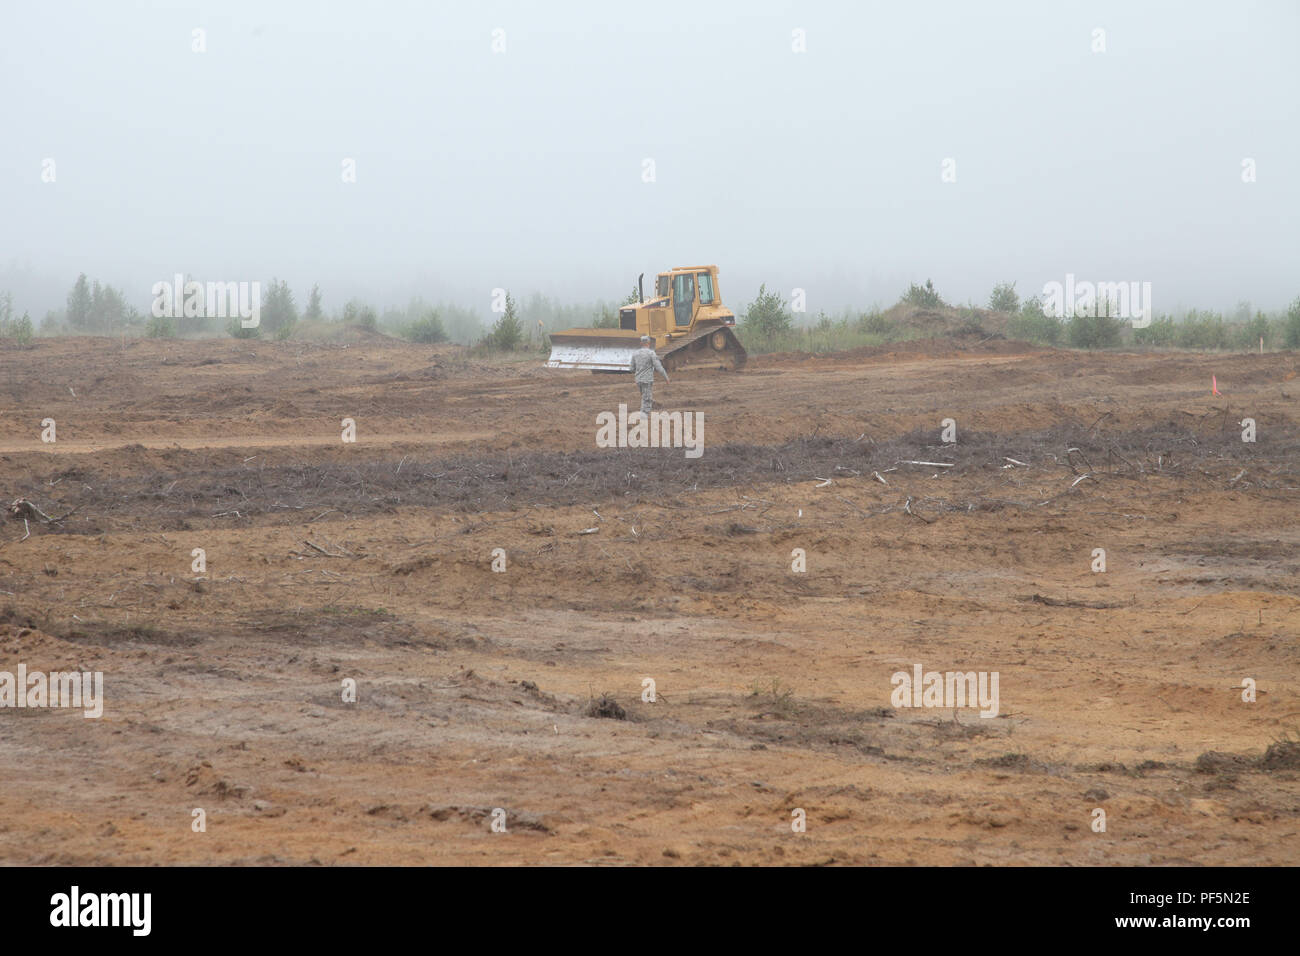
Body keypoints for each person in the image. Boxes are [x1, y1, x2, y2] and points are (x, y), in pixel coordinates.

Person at [629, 335, 669, 418]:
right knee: (646, 399)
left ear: (641, 343)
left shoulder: (635, 353)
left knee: (644, 396)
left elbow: (631, 369)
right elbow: (658, 367)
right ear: (649, 343)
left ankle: (651, 403)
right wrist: (666, 378)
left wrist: (639, 369)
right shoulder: (651, 353)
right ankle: (644, 417)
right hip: (647, 380)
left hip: (638, 380)